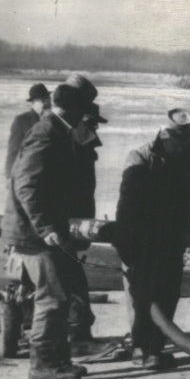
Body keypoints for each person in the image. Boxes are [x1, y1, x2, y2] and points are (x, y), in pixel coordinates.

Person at [3, 84, 88, 379]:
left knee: (58, 296)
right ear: (75, 109)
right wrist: (46, 227)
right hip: (33, 236)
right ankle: (42, 367)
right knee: (51, 298)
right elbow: (25, 184)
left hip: (36, 232)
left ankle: (58, 360)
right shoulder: (47, 132)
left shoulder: (53, 129)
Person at [113, 108, 190, 370]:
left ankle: (154, 348)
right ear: (164, 136)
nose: (181, 148)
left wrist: (184, 230)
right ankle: (142, 348)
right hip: (140, 237)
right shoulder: (139, 158)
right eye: (176, 143)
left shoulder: (187, 154)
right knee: (143, 294)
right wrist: (127, 246)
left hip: (170, 236)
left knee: (168, 291)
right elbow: (126, 207)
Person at [61, 74, 106, 345]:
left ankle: (75, 331)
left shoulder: (70, 131)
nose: (93, 129)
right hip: (68, 219)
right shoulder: (70, 135)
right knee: (70, 274)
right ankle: (77, 334)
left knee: (67, 273)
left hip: (72, 218)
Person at [5, 83, 51, 177]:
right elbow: (13, 150)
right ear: (33, 102)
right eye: (43, 100)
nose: (47, 103)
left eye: (48, 100)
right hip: (27, 174)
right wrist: (9, 176)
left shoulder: (53, 121)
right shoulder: (21, 121)